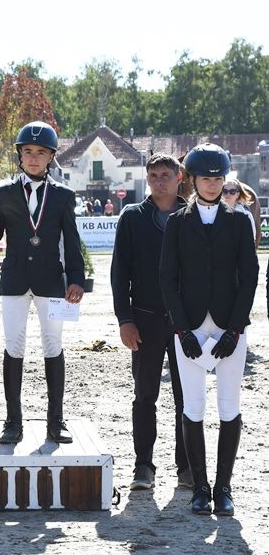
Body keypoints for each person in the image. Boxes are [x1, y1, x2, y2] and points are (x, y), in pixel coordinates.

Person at [159, 143, 258, 516]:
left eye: (218, 179)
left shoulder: (239, 221)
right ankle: (200, 488)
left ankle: (224, 487)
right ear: (193, 180)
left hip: (229, 326)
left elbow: (249, 277)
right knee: (194, 406)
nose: (213, 185)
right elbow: (167, 278)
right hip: (191, 326)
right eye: (206, 178)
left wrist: (235, 329)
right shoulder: (177, 222)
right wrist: (181, 329)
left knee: (229, 406)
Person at [0, 121, 85, 445]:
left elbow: (72, 241)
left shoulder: (63, 196)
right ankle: (13, 421)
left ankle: (56, 421)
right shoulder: (2, 193)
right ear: (20, 156)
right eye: (28, 152)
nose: (33, 158)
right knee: (14, 345)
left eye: (40, 152)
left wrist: (76, 279)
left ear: (51, 156)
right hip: (15, 279)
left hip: (51, 280)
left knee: (53, 345)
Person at [111, 154, 190, 491]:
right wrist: (124, 319)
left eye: (165, 175)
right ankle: (143, 466)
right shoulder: (132, 217)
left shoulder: (193, 216)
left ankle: (187, 467)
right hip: (144, 320)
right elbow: (119, 272)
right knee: (145, 396)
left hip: (186, 323)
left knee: (187, 399)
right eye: (153, 175)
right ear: (147, 179)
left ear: (179, 177)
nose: (159, 181)